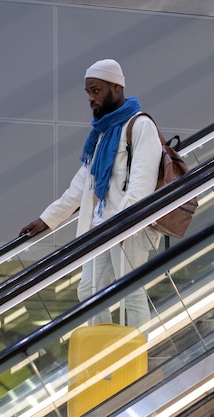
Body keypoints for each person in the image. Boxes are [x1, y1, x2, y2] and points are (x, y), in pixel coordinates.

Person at [19, 59, 163, 331]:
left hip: (127, 228)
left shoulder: (140, 126)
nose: (90, 98)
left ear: (115, 87)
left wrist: (124, 226)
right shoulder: (102, 133)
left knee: (130, 292)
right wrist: (47, 219)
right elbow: (82, 183)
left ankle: (141, 356)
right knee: (89, 292)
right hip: (101, 228)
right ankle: (107, 354)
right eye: (88, 92)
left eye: (95, 91)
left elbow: (141, 185)